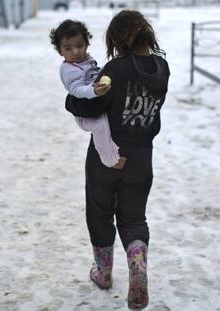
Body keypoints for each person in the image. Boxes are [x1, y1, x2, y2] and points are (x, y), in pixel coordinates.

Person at [65, 10, 170, 310]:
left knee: (99, 212)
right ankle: (137, 267)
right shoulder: (162, 68)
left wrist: (70, 99)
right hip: (141, 156)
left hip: (106, 154)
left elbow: (89, 106)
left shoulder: (116, 68)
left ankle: (104, 272)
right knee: (134, 217)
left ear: (118, 38)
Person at [49, 19, 126, 169]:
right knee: (101, 126)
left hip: (95, 102)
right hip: (84, 115)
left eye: (79, 46)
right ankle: (110, 160)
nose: (75, 52)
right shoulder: (69, 69)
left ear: (87, 44)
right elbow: (76, 89)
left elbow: (96, 73)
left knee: (108, 124)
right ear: (60, 51)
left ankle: (113, 150)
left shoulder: (85, 61)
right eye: (68, 48)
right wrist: (94, 91)